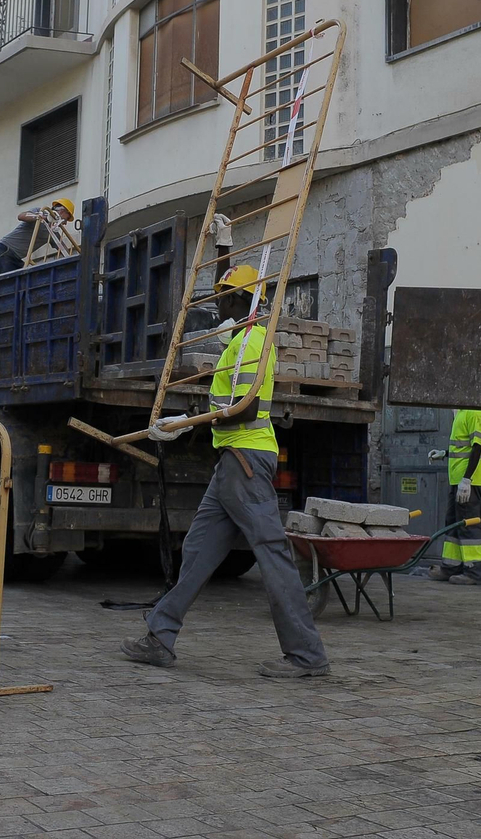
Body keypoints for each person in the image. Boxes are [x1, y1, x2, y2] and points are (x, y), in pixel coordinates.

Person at [120, 263, 330, 678]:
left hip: (246, 462)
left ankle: (307, 655)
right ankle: (160, 636)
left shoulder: (252, 341)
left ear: (243, 299)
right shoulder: (241, 338)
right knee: (198, 552)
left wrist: (184, 425)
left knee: (272, 556)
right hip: (234, 462)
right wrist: (223, 246)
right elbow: (228, 406)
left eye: (225, 293)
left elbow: (244, 407)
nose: (218, 300)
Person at [429, 408, 481, 585]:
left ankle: (474, 572)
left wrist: (467, 479)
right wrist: (445, 453)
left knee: (468, 526)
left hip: (468, 482)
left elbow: (477, 448)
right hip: (458, 480)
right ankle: (451, 567)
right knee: (454, 524)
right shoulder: (463, 412)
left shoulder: (476, 413)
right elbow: (463, 448)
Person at [0, 198, 75, 274]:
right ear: (62, 211)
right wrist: (44, 217)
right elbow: (21, 216)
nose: (65, 223)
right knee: (5, 285)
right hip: (4, 251)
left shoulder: (52, 232)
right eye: (66, 219)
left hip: (16, 258)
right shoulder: (40, 211)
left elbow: (64, 250)